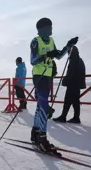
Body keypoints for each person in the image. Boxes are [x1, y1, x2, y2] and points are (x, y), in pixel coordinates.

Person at [30, 17, 78, 153]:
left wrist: (68, 46)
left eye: (51, 26)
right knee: (44, 106)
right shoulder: (35, 41)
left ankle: (35, 133)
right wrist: (46, 56)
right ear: (41, 29)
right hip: (39, 76)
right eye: (49, 27)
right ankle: (42, 138)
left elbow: (57, 55)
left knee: (41, 106)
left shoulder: (51, 40)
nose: (51, 29)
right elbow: (33, 60)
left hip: (48, 76)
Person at [53, 46, 86, 124]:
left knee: (67, 100)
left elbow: (71, 73)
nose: (68, 54)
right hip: (77, 84)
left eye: (68, 52)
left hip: (73, 83)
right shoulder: (80, 59)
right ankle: (76, 118)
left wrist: (65, 80)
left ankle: (63, 117)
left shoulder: (73, 60)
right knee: (75, 101)